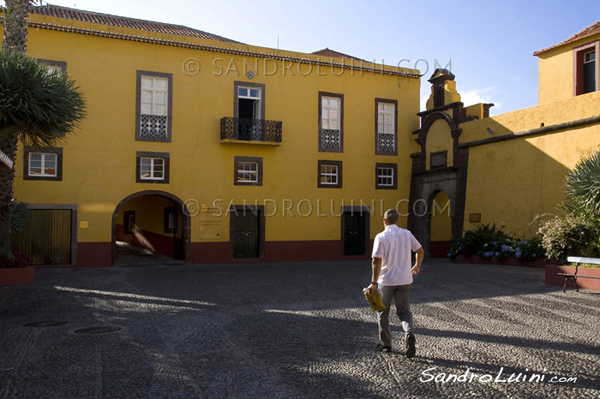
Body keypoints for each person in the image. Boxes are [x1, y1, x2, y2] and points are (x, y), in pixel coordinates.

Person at [367, 209, 424, 358]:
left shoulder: (381, 237)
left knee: (382, 312)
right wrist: (417, 266)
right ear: (397, 221)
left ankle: (386, 344)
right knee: (404, 311)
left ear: (384, 221)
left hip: (386, 281)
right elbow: (420, 250)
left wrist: (373, 282)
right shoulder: (406, 234)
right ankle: (409, 332)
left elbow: (376, 260)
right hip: (405, 280)